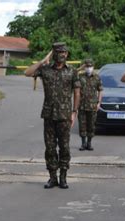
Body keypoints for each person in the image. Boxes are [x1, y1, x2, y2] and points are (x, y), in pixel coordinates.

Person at [25, 42, 81, 189]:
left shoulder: (72, 72)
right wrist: (42, 61)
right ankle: (52, 177)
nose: (61, 55)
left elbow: (76, 92)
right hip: (49, 114)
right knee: (50, 148)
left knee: (64, 147)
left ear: (67, 54)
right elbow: (27, 73)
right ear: (53, 54)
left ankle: (63, 177)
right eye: (58, 52)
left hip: (64, 116)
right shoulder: (45, 70)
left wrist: (74, 111)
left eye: (63, 52)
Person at [77, 59, 103, 151]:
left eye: (90, 66)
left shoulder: (97, 77)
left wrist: (99, 102)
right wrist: (80, 68)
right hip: (82, 105)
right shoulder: (80, 76)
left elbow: (100, 90)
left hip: (92, 106)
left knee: (91, 125)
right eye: (87, 66)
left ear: (93, 67)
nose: (89, 68)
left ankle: (89, 143)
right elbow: (72, 73)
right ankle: (83, 143)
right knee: (82, 125)